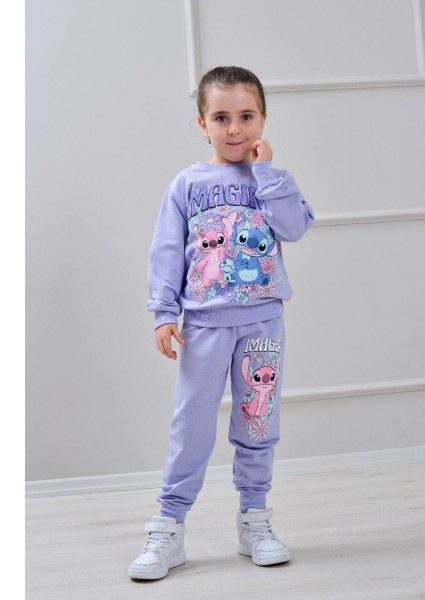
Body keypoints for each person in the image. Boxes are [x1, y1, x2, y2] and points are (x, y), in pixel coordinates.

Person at [128, 66, 315, 580]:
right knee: (191, 424)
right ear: (202, 123)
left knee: (257, 421)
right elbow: (167, 252)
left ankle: (255, 520)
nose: (235, 129)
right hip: (204, 326)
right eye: (221, 118)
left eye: (247, 116)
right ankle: (168, 528)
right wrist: (164, 313)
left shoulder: (274, 181)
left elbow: (294, 228)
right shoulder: (187, 184)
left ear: (263, 119)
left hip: (262, 324)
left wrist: (268, 174)